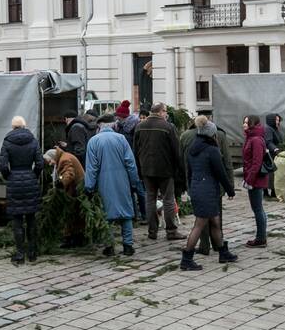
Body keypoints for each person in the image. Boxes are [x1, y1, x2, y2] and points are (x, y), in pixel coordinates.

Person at [181, 117, 237, 271]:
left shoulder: (193, 148)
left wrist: (191, 187)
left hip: (197, 188)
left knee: (215, 222)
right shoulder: (212, 150)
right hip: (208, 190)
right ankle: (186, 259)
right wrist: (230, 190)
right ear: (212, 134)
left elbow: (189, 171)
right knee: (199, 225)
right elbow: (220, 173)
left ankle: (223, 252)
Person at [85, 114, 141, 256]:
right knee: (126, 214)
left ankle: (109, 246)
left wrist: (89, 187)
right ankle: (128, 245)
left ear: (100, 126)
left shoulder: (93, 141)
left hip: (103, 183)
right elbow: (130, 163)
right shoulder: (121, 139)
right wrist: (134, 182)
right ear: (113, 125)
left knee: (107, 214)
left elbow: (92, 167)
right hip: (122, 181)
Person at [133, 103, 184, 241]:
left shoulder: (139, 126)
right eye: (165, 111)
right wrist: (178, 169)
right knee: (168, 200)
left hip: (146, 170)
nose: (166, 114)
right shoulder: (168, 127)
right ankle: (171, 231)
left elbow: (135, 150)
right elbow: (176, 151)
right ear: (161, 112)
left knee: (150, 199)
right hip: (165, 170)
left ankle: (152, 231)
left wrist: (139, 169)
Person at [0, 116, 44, 265]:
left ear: (13, 127)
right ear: (24, 126)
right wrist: (33, 175)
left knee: (17, 219)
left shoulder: (7, 142)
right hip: (30, 180)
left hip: (15, 182)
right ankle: (32, 253)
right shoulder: (33, 141)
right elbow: (39, 163)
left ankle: (20, 254)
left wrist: (10, 176)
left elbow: (3, 165)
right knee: (31, 218)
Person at [45, 147, 85, 247]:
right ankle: (76, 238)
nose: (50, 164)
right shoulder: (64, 156)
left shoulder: (64, 159)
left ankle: (71, 239)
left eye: (49, 161)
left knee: (71, 213)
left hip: (75, 191)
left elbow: (68, 174)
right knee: (76, 215)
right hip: (76, 189)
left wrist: (61, 181)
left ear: (54, 157)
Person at [242, 115, 269, 247]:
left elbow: (256, 162)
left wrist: (249, 180)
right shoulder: (251, 137)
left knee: (257, 209)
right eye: (244, 122)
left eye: (246, 123)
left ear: (252, 124)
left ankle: (261, 238)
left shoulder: (256, 139)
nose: (244, 125)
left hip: (256, 180)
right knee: (258, 208)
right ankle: (261, 236)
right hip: (254, 179)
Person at [263, 113, 283, 198]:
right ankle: (266, 192)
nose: (278, 122)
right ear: (271, 120)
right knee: (270, 174)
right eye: (276, 120)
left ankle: (273, 191)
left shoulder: (274, 128)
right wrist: (275, 149)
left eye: (278, 120)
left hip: (274, 154)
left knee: (274, 174)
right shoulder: (268, 129)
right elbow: (268, 141)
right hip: (269, 154)